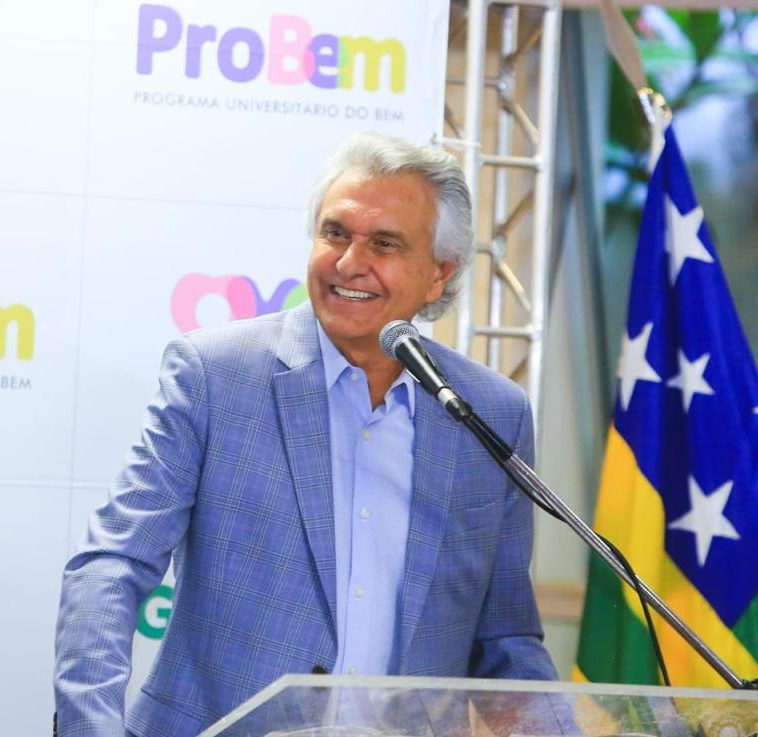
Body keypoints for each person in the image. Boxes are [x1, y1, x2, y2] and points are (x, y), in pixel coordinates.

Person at [54, 131, 557, 737]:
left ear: (438, 275)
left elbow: (505, 639)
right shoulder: (217, 375)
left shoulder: (489, 413)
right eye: (335, 233)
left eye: (384, 243)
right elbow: (113, 563)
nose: (348, 263)